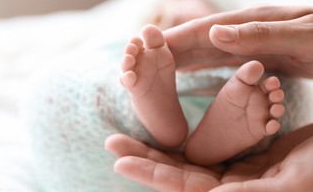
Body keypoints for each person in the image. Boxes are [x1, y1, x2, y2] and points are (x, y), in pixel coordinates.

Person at [105, 5, 313, 192]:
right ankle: (193, 138)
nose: (179, 21)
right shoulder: (125, 43)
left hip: (218, 102)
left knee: (124, 86)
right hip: (243, 115)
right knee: (261, 88)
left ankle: (166, 127)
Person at [120, 24, 284, 165]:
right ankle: (166, 126)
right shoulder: (141, 54)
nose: (178, 20)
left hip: (234, 102)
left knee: (261, 92)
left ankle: (191, 137)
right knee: (268, 92)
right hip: (222, 99)